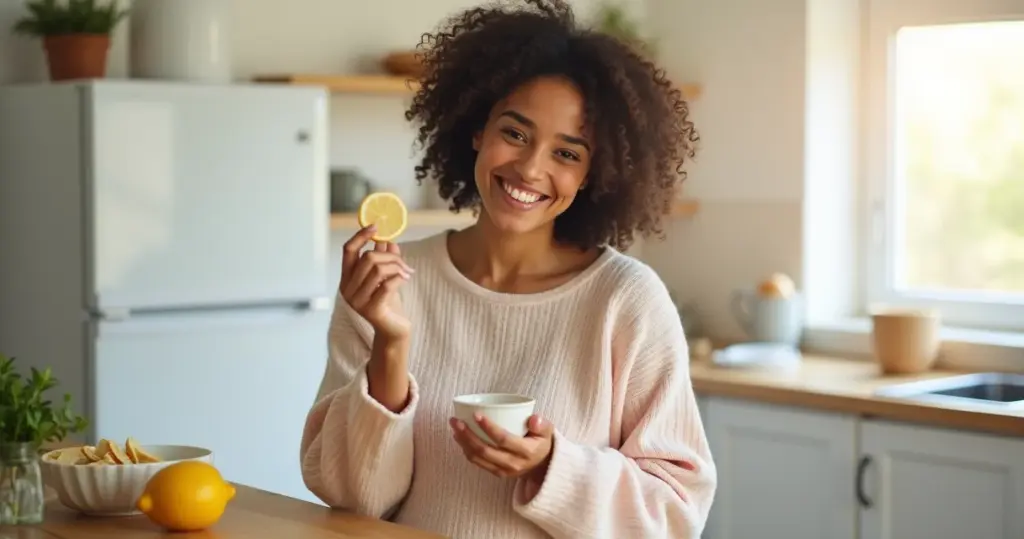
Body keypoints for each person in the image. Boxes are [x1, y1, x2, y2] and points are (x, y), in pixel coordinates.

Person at [299, 0, 717, 537]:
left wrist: (552, 467)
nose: (530, 167)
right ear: (477, 128)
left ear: (593, 174)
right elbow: (353, 496)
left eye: (567, 154)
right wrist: (391, 343)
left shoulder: (626, 300)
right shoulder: (388, 283)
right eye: (515, 133)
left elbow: (677, 513)